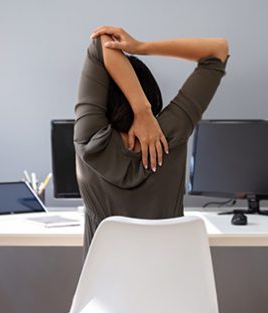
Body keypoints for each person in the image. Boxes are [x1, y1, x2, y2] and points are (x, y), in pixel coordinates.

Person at [74, 26, 229, 256]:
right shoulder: (171, 133)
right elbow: (218, 50)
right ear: (152, 93)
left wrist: (140, 110)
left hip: (103, 289)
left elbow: (101, 43)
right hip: (171, 288)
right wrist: (141, 48)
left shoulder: (89, 140)